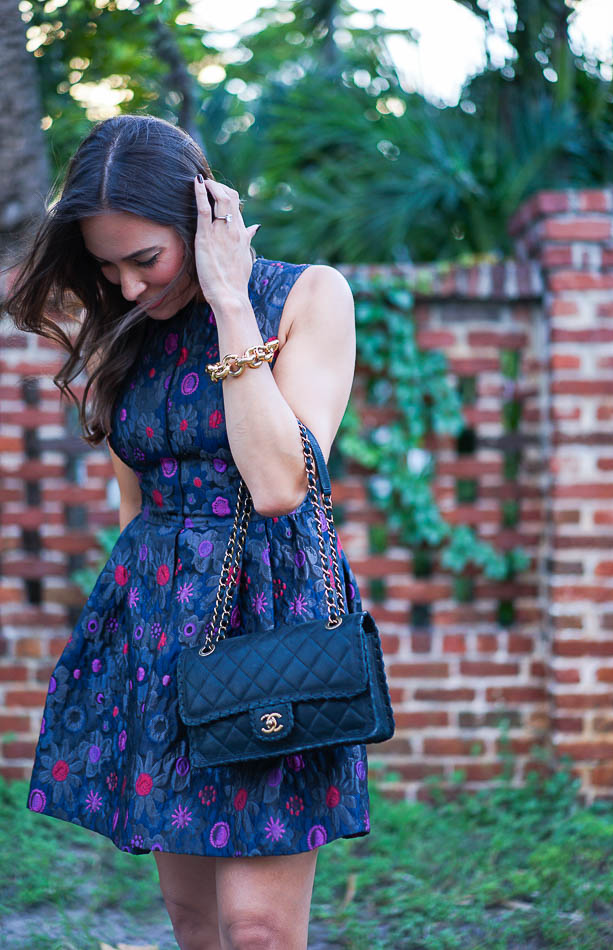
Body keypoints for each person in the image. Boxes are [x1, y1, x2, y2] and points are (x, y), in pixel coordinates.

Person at [5, 113, 370, 950]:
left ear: (202, 221)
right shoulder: (123, 330)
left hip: (269, 624)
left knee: (258, 932)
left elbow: (282, 485)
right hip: (158, 626)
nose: (130, 288)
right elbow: (135, 506)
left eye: (146, 260)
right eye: (107, 267)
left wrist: (230, 302)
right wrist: (135, 640)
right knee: (194, 922)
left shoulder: (307, 297)